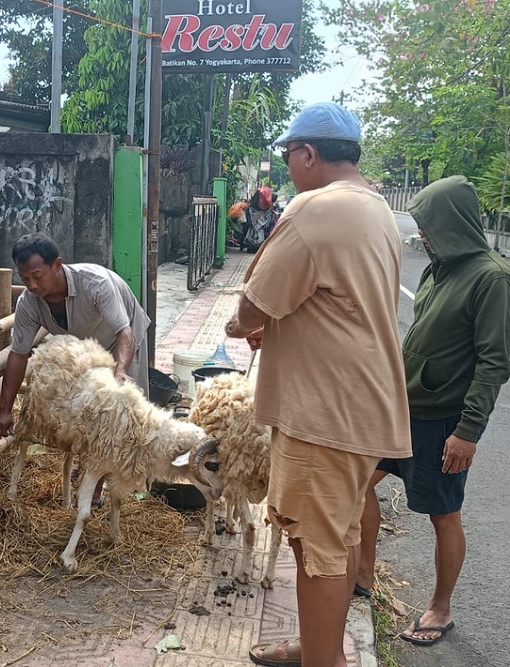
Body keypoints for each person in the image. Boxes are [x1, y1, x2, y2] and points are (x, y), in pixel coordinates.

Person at [224, 102, 412, 667]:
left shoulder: (314, 210)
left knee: (317, 550)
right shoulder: (374, 207)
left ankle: (321, 661)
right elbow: (333, 302)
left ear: (309, 153)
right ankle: (320, 647)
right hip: (361, 406)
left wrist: (243, 325)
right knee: (340, 532)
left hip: (325, 415)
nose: (286, 167)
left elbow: (252, 308)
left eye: (288, 156)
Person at [358, 176, 510, 646]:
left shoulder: (491, 278)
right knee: (359, 482)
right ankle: (362, 575)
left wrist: (468, 431)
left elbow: (494, 360)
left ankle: (440, 609)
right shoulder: (438, 268)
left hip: (444, 419)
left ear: (453, 222)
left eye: (429, 223)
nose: (421, 233)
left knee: (444, 515)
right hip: (402, 408)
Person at [0, 233, 151, 439]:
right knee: (91, 408)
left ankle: (134, 465)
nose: (31, 285)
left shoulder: (96, 284)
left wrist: (120, 372)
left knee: (128, 408)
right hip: (86, 348)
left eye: (37, 276)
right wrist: (4, 410)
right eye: (24, 278)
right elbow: (18, 355)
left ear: (57, 265)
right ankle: (91, 465)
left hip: (121, 337)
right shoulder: (28, 303)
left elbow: (125, 333)